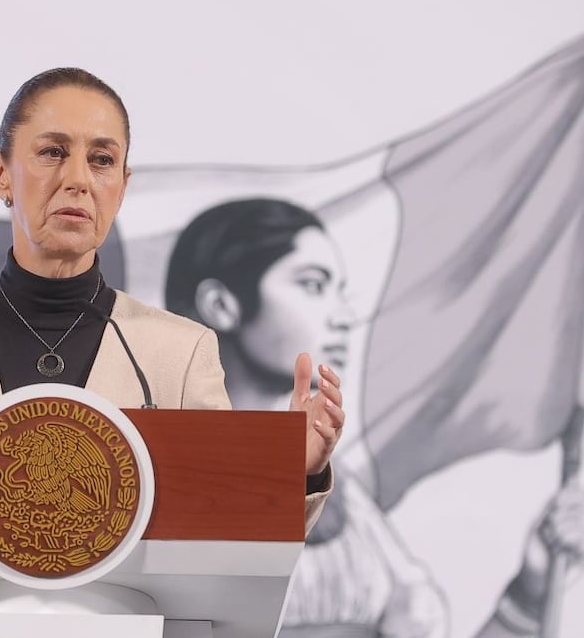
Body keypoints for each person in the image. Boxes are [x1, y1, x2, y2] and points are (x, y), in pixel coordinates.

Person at [0, 67, 345, 535]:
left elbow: (230, 524)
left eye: (101, 159)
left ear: (122, 183)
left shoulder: (181, 351)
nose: (77, 179)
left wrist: (297, 474)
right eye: (51, 152)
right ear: (0, 174)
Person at [166, 198, 582, 637]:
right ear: (221, 304)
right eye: (313, 285)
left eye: (340, 290)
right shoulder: (155, 476)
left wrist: (530, 586)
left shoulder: (348, 499)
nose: (344, 316)